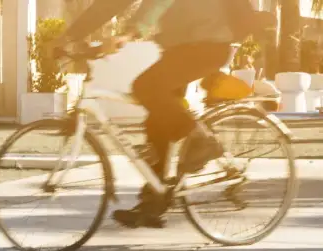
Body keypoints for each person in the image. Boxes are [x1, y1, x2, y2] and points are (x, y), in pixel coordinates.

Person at [54, 0, 238, 228]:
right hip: (182, 48)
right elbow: (108, 5)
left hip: (208, 44)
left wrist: (130, 32)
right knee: (157, 119)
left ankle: (202, 140)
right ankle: (154, 204)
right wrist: (70, 37)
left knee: (145, 87)